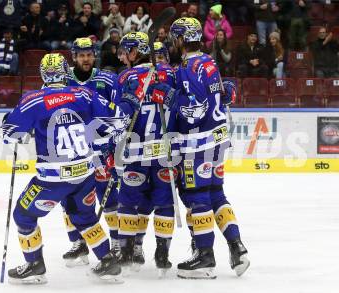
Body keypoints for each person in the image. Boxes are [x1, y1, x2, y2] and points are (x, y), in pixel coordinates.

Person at [1, 52, 140, 284]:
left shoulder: (33, 100)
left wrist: (8, 120)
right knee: (84, 216)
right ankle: (108, 261)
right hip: (84, 174)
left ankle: (35, 265)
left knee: (23, 215)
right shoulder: (84, 94)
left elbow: (10, 134)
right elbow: (118, 121)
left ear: (43, 74)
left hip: (51, 181)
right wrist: (128, 101)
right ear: (66, 71)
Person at [159, 17, 249, 279]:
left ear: (180, 40)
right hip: (218, 140)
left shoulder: (188, 67)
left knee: (197, 196)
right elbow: (221, 94)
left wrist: (167, 95)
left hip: (198, 145)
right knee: (216, 194)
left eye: (173, 40)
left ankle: (205, 258)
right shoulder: (209, 61)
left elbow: (193, 109)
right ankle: (237, 248)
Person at [110, 31, 177, 274]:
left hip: (135, 152)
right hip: (163, 151)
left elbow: (120, 116)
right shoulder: (169, 72)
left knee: (128, 201)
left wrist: (112, 144)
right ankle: (162, 255)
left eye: (126, 51)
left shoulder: (125, 76)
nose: (123, 56)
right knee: (165, 203)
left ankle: (127, 254)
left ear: (135, 52)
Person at [60, 37, 121, 267]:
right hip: (74, 152)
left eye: (89, 54)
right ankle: (78, 243)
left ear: (94, 55)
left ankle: (115, 244)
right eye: (81, 55)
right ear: (74, 57)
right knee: (69, 200)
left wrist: (113, 143)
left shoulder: (107, 80)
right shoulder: (64, 81)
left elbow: (117, 115)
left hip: (102, 151)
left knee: (109, 198)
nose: (86, 58)